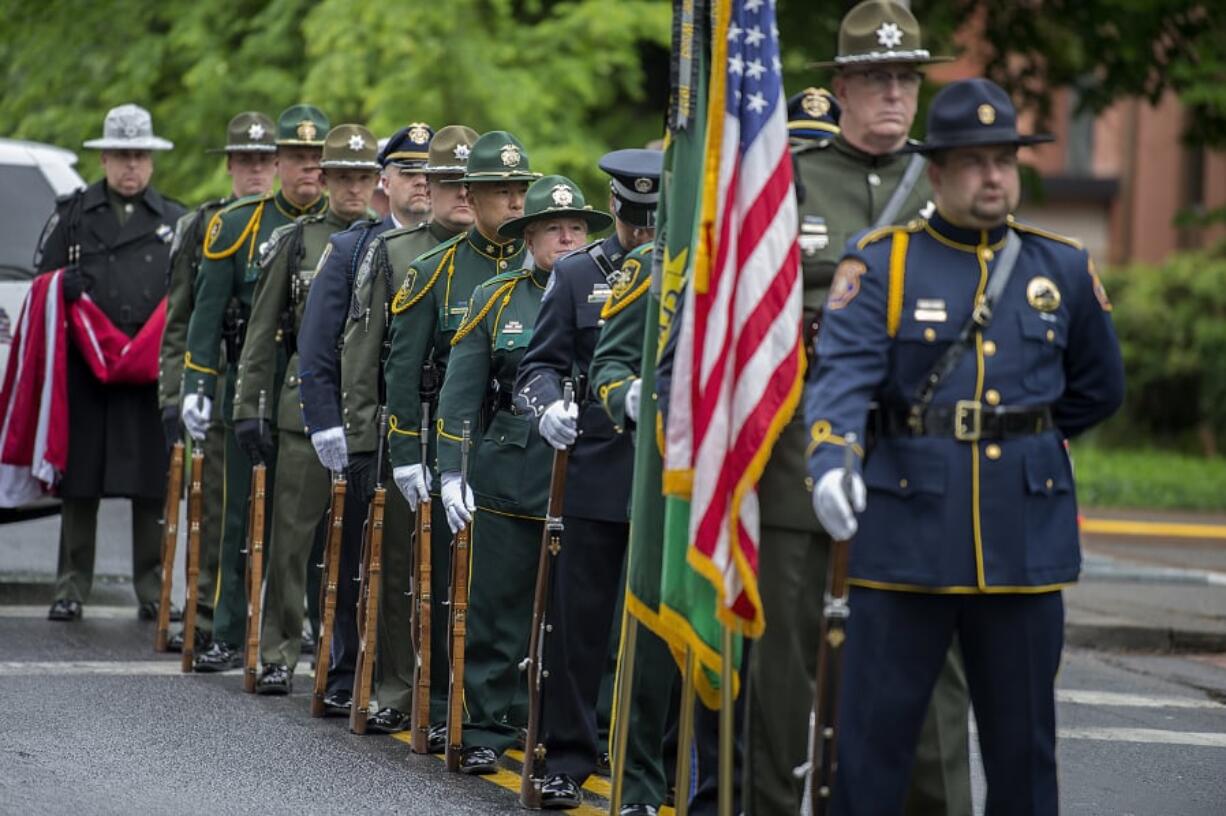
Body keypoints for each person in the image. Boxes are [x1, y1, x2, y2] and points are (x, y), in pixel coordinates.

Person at [805, 76, 1124, 815]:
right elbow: (842, 380)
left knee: (1024, 759)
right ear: (939, 173)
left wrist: (1029, 443)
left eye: (1004, 160)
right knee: (873, 756)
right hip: (904, 542)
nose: (993, 176)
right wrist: (833, 459)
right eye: (975, 161)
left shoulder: (1062, 269)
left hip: (1023, 544)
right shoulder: (879, 265)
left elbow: (1099, 387)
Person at [744, 2, 974, 813]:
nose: (893, 95)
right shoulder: (792, 184)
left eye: (905, 78)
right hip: (803, 454)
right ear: (840, 85)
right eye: (876, 78)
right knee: (783, 675)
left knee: (930, 671)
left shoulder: (945, 188)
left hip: (918, 458)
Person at [433, 173, 609, 776]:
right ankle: (487, 725)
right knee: (498, 614)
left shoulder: (615, 289)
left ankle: (589, 729)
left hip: (587, 478)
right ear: (529, 236)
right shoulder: (497, 297)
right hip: (509, 476)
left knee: (585, 619)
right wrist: (452, 471)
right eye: (553, 228)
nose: (566, 238)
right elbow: (460, 397)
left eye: (577, 228)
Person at [514, 149, 674, 811]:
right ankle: (568, 756)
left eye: (652, 220)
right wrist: (547, 404)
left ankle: (659, 764)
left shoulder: (686, 271)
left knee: (663, 632)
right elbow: (538, 363)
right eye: (633, 219)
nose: (641, 232)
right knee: (579, 627)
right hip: (598, 463)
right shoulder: (580, 273)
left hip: (668, 472)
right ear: (614, 209)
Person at [339, 124, 479, 736]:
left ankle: (466, 696)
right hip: (412, 436)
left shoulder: (512, 259)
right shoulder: (396, 254)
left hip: (482, 441)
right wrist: (371, 443)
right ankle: (399, 685)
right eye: (446, 182)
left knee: (471, 577)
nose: (458, 195)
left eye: (469, 184)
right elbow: (362, 355)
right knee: (401, 569)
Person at [232, 124, 381, 695]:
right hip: (302, 412)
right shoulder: (299, 241)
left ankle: (340, 654)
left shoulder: (385, 240)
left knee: (347, 551)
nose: (351, 187)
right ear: (325, 177)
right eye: (342, 176)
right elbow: (264, 330)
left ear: (376, 181)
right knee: (292, 543)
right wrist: (252, 407)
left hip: (364, 411)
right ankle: (276, 652)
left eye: (362, 176)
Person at [182, 104, 331, 672]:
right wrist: (197, 383)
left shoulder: (340, 229)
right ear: (278, 161)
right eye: (297, 157)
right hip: (249, 382)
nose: (308, 169)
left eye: (317, 158)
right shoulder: (239, 223)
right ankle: (224, 627)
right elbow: (206, 312)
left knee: (304, 524)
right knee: (232, 514)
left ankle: (306, 629)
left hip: (309, 388)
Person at [295, 122, 435, 717]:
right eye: (410, 171)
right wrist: (330, 425)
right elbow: (320, 344)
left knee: (416, 565)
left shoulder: (445, 248)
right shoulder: (356, 247)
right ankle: (347, 668)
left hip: (427, 428)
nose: (423, 182)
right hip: (368, 429)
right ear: (386, 181)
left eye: (432, 172)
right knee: (355, 560)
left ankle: (411, 677)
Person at [39, 104, 186, 622]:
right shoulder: (74, 214)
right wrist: (61, 287)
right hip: (89, 368)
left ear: (152, 161)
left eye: (139, 156)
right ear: (103, 160)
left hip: (148, 370)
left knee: (151, 484)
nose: (131, 166)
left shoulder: (174, 219)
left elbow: (187, 295)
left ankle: (152, 588)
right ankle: (71, 584)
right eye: (121, 155)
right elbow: (43, 281)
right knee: (80, 483)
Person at [157, 111, 277, 652]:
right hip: (225, 378)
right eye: (245, 161)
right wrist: (179, 388)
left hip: (276, 386)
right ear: (230, 165)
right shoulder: (208, 224)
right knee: (219, 511)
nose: (255, 170)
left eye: (263, 161)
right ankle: (206, 615)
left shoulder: (292, 226)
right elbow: (183, 317)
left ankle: (267, 619)